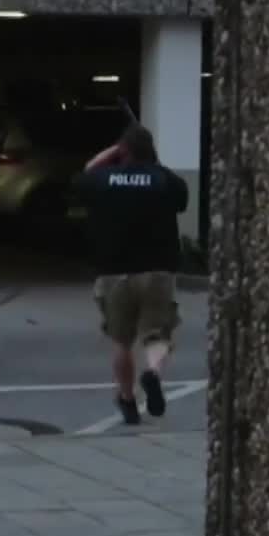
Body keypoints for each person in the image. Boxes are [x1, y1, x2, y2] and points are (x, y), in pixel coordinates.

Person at [73, 122, 189, 424]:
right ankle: (152, 373)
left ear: (122, 151)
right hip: (157, 271)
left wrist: (110, 152)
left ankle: (127, 399)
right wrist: (156, 165)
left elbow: (83, 177)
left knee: (121, 341)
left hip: (113, 273)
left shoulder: (102, 179)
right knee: (157, 335)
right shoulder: (163, 179)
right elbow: (181, 197)